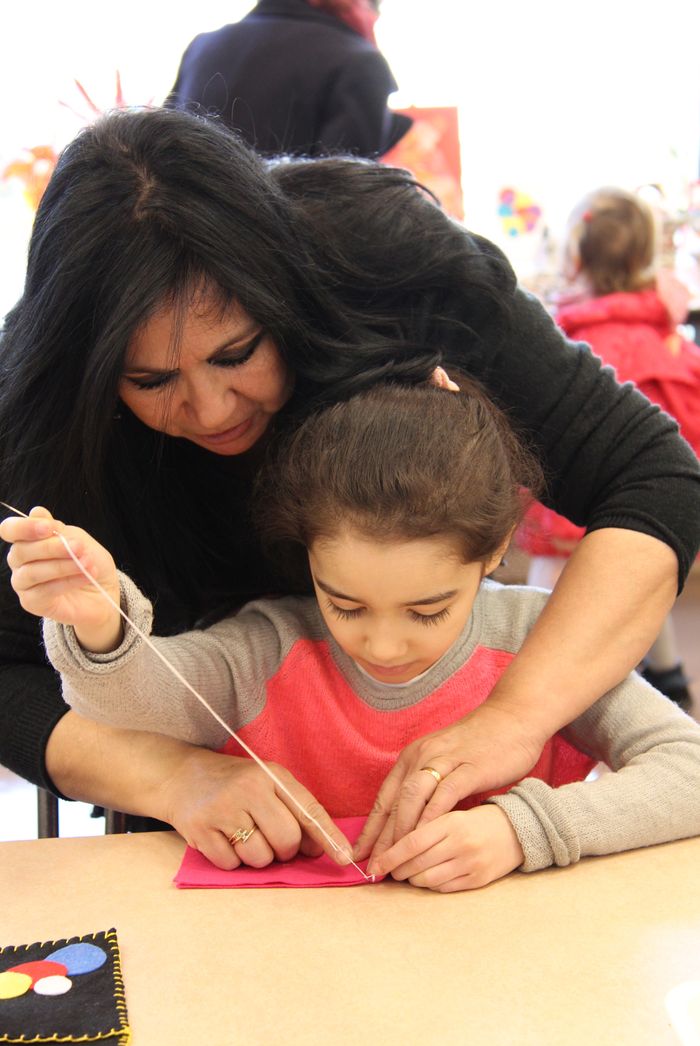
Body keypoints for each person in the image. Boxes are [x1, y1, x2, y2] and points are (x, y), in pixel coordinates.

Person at [0, 107, 698, 863]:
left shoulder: (391, 266)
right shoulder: (40, 413)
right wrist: (170, 774)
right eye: (150, 379)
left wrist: (515, 718)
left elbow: (656, 482)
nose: (210, 409)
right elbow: (48, 677)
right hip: (215, 854)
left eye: (237, 353)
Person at [3, 382, 699, 888]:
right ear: (307, 558)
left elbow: (688, 772)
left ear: (495, 550)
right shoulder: (273, 645)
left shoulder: (541, 640)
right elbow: (137, 701)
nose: (383, 647)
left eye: (427, 611)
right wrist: (100, 623)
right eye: (345, 604)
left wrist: (523, 831)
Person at [518, 186, 700, 711]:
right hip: (651, 512)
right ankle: (668, 676)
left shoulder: (562, 347)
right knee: (645, 583)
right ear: (647, 258)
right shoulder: (670, 345)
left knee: (539, 609)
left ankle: (544, 699)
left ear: (574, 257)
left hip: (567, 516)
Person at [166, 0, 412, 157]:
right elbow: (345, 198)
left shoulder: (203, 46)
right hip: (280, 237)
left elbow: (155, 151)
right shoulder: (359, 61)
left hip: (178, 234)